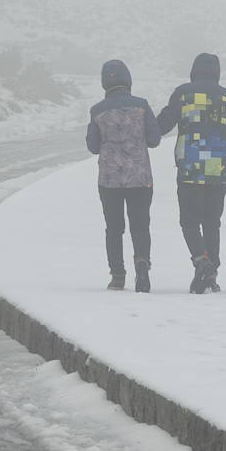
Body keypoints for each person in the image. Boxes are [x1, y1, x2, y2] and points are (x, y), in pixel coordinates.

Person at [156, 53, 226, 294]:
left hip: (190, 168)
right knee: (212, 223)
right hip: (218, 170)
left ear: (194, 71)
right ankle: (210, 274)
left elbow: (161, 127)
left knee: (189, 222)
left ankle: (201, 262)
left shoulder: (183, 94)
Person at [86, 59, 162, 292]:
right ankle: (141, 263)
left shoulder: (97, 110)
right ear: (128, 80)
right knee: (140, 226)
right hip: (140, 177)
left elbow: (93, 146)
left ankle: (117, 275)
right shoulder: (142, 106)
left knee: (114, 227)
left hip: (109, 180)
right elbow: (154, 139)